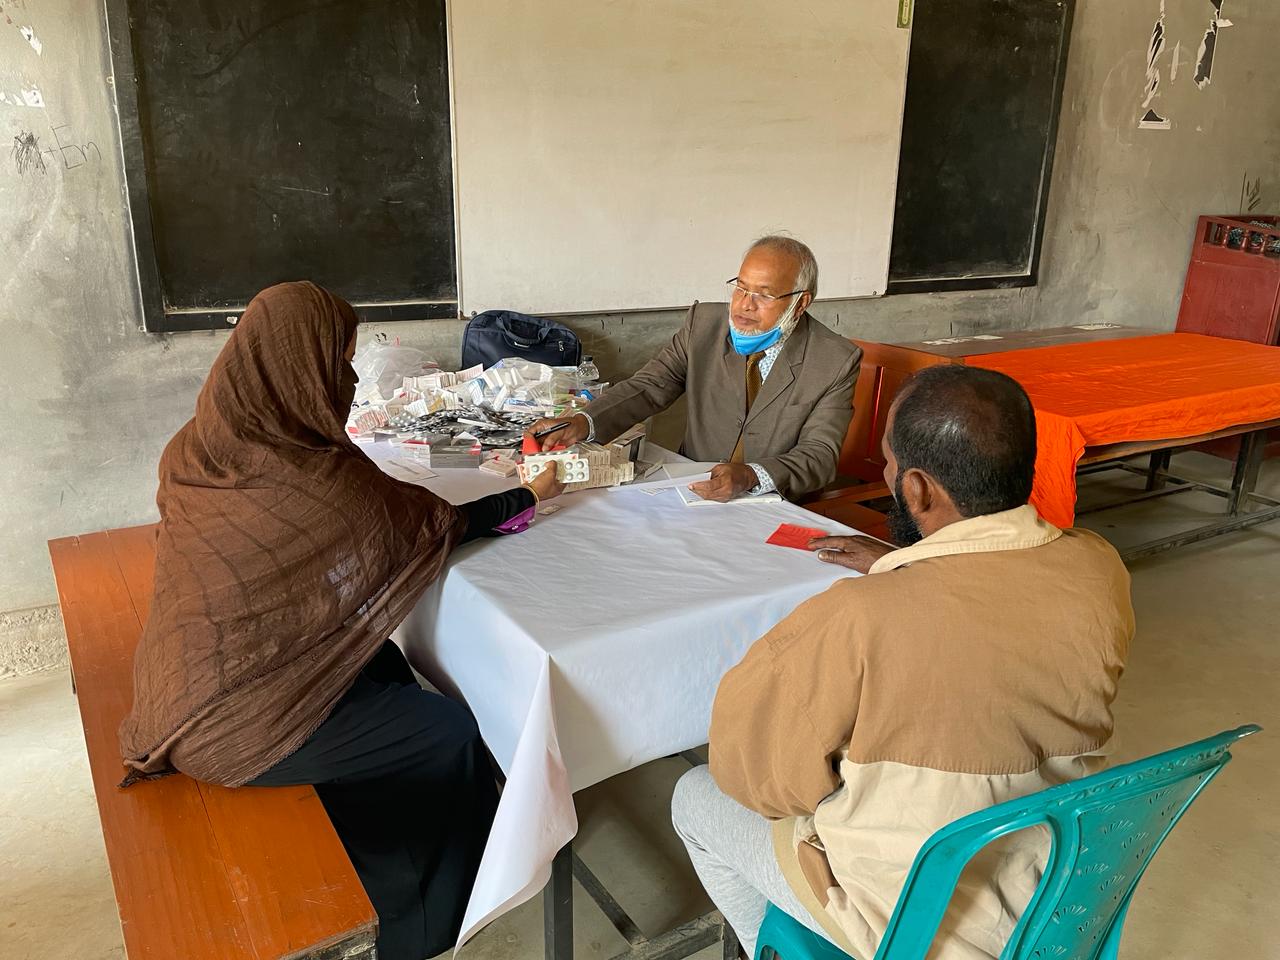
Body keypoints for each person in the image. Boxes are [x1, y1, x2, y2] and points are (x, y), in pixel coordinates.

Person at [118, 282, 564, 960]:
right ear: (301, 367)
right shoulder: (316, 479)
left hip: (184, 675)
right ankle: (426, 925)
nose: (351, 377)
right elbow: (428, 526)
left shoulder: (203, 444)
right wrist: (528, 494)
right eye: (342, 360)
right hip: (231, 723)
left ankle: (389, 838)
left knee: (382, 660)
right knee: (445, 731)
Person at [671, 365, 1135, 960]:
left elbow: (758, 781)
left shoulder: (858, 616)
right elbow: (988, 606)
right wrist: (905, 565)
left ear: (916, 489)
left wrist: (899, 583)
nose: (886, 474)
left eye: (889, 463)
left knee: (696, 795)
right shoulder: (1099, 565)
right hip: (1059, 885)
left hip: (918, 921)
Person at [526, 236, 861, 502]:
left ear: (801, 303)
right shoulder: (704, 325)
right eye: (741, 287)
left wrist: (752, 475)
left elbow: (819, 456)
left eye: (765, 295)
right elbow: (650, 386)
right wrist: (583, 422)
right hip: (691, 488)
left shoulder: (834, 360)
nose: (745, 305)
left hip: (772, 501)